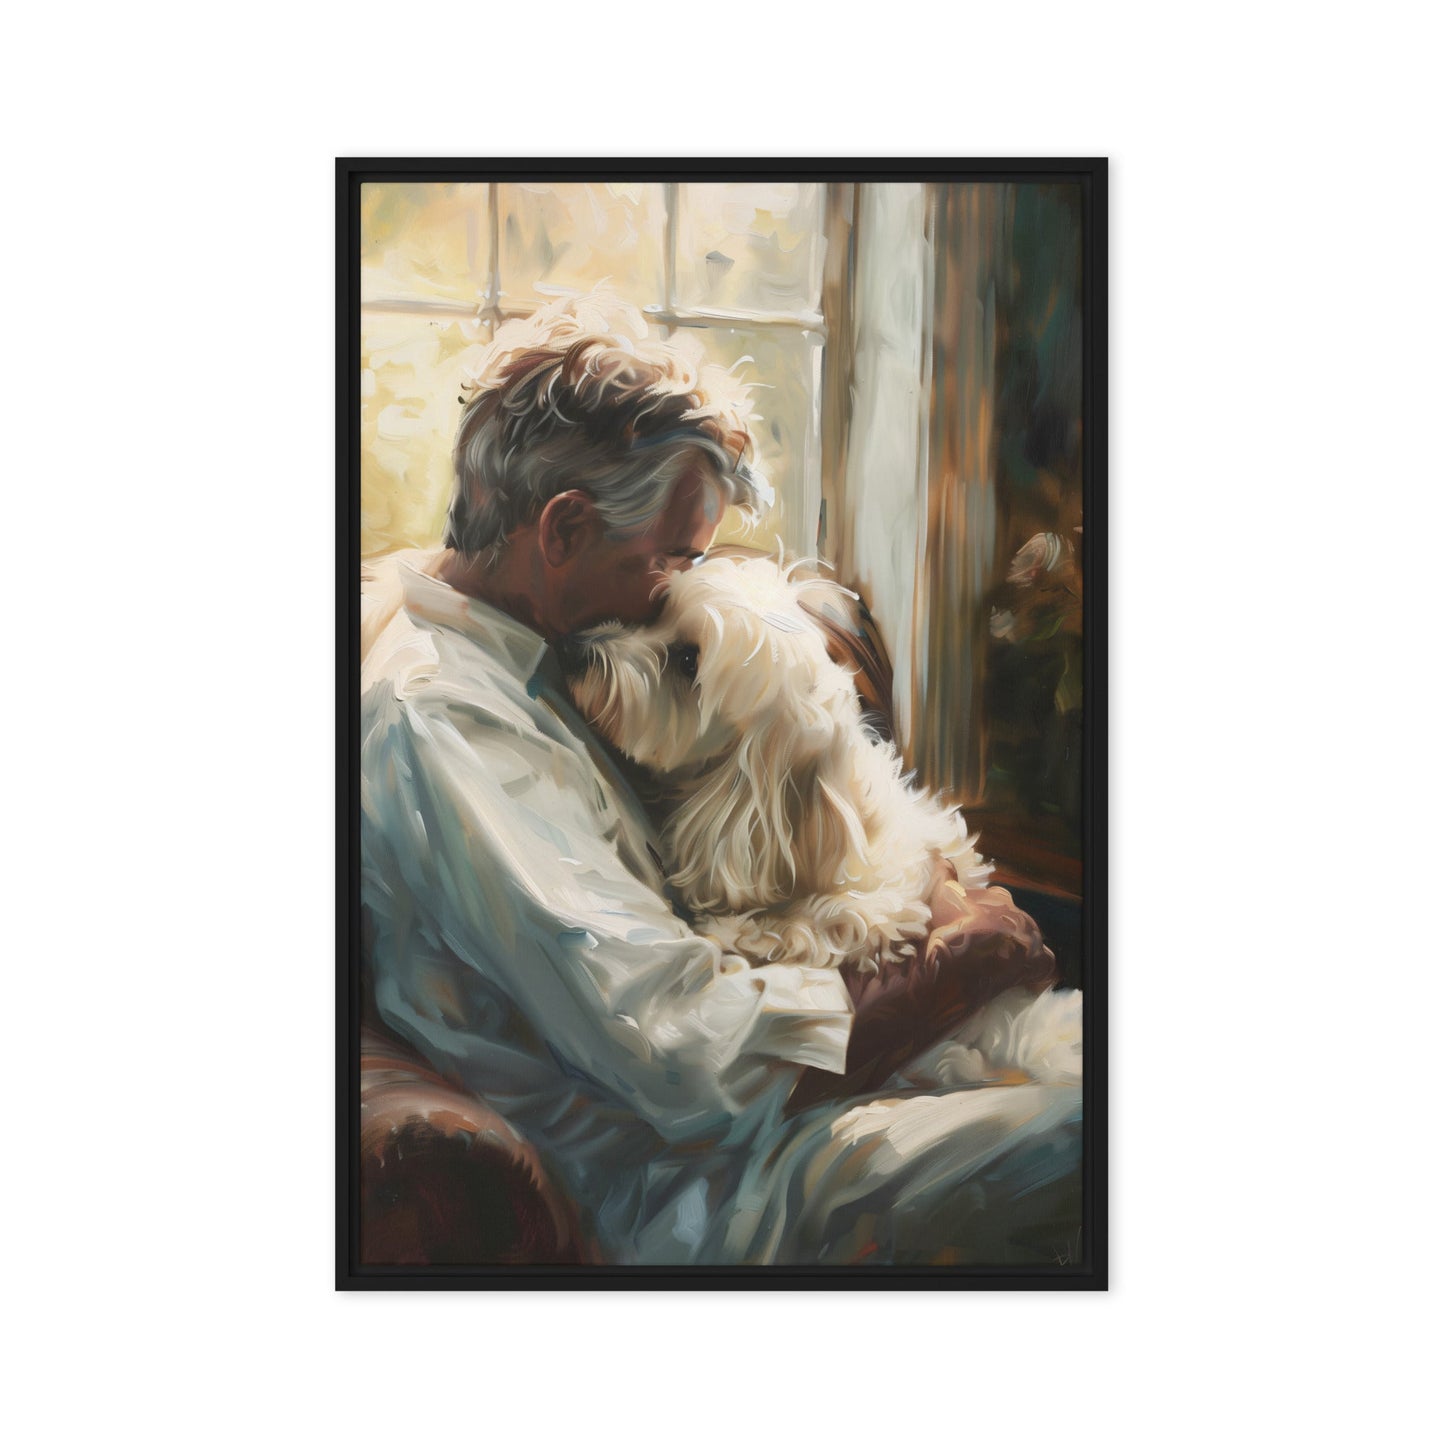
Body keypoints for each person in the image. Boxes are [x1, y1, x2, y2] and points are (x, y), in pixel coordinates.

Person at [361, 294, 1083, 1266]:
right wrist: (957, 965)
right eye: (670, 557)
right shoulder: (445, 725)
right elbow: (686, 1051)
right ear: (563, 527)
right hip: (696, 1184)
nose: (678, 589)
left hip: (775, 1114)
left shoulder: (513, 632)